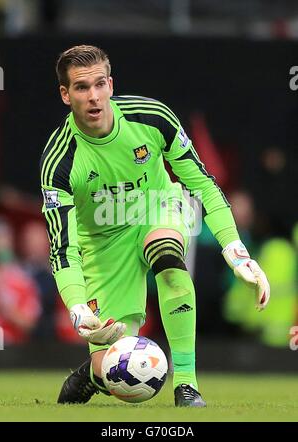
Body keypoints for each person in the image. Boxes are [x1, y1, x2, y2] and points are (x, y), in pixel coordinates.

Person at [40, 45, 270, 407]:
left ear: (111, 85)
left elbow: (203, 184)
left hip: (158, 208)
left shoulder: (152, 117)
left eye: (100, 84)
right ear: (65, 95)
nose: (94, 96)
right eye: (82, 88)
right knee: (111, 366)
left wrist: (235, 249)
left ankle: (187, 385)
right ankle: (91, 373)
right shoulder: (59, 161)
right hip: (102, 243)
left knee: (167, 254)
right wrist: (77, 305)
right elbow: (62, 247)